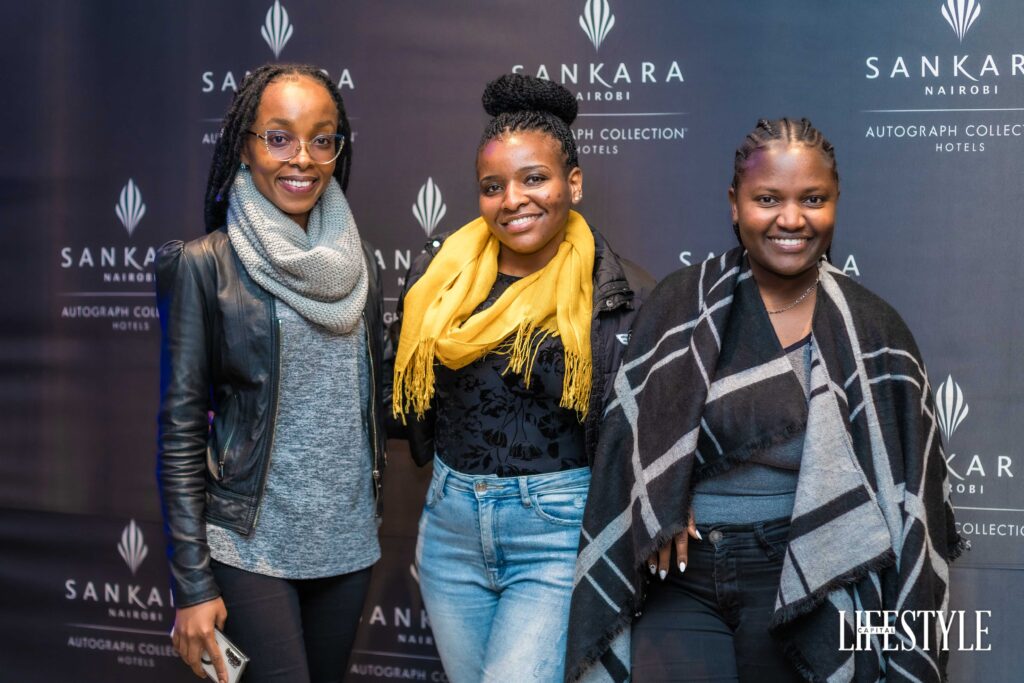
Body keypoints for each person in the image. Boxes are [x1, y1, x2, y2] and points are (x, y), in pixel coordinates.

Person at [566, 118, 964, 683]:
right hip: (682, 578)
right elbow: (627, 442)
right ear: (735, 204)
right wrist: (664, 490)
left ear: (836, 201)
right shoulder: (680, 304)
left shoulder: (873, 329)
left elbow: (907, 489)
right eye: (768, 199)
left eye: (813, 199)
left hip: (808, 576)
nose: (792, 219)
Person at [390, 73, 654, 682]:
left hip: (557, 534)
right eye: (493, 186)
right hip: (451, 529)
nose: (513, 200)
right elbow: (403, 395)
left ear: (573, 183)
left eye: (534, 179)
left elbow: (648, 426)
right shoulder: (439, 273)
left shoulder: (622, 293)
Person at [156, 63, 386, 683]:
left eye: (321, 139)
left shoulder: (361, 265)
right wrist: (192, 582)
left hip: (347, 543)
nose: (302, 158)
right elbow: (180, 432)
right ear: (245, 145)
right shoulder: (204, 265)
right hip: (248, 545)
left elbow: (370, 402)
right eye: (279, 138)